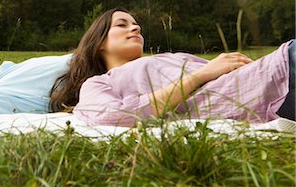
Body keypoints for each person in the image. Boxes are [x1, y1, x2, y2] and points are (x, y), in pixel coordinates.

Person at [50, 8, 295, 127]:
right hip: (272, 86)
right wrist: (199, 75)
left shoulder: (170, 57)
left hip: (272, 73)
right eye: (122, 25)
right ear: (99, 42)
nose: (135, 28)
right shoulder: (100, 83)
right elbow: (112, 116)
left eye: (136, 25)